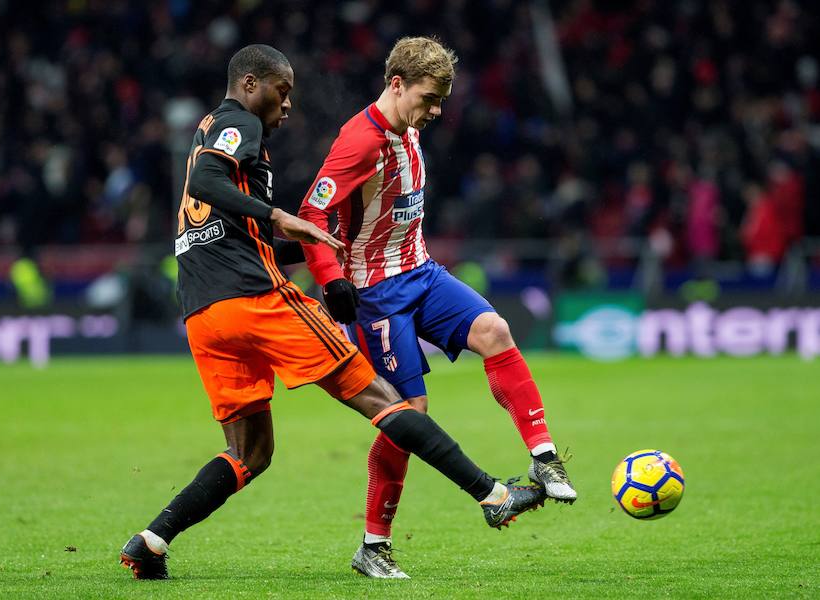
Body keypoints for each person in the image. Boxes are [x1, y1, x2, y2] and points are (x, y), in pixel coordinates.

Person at [118, 44, 545, 581]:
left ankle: (151, 540)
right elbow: (210, 183)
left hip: (203, 315)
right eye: (282, 89)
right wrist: (286, 219)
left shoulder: (210, 129)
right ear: (250, 84)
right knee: (387, 399)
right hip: (257, 302)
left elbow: (233, 229)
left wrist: (317, 242)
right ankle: (493, 494)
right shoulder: (236, 124)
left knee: (250, 453)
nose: (288, 103)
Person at [297, 36, 577, 579]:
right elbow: (312, 209)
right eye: (428, 98)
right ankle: (373, 546)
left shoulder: (410, 127)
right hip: (375, 294)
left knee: (496, 330)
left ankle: (544, 458)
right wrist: (331, 280)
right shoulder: (358, 142)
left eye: (442, 100)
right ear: (395, 84)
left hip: (422, 272)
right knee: (409, 418)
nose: (436, 111)